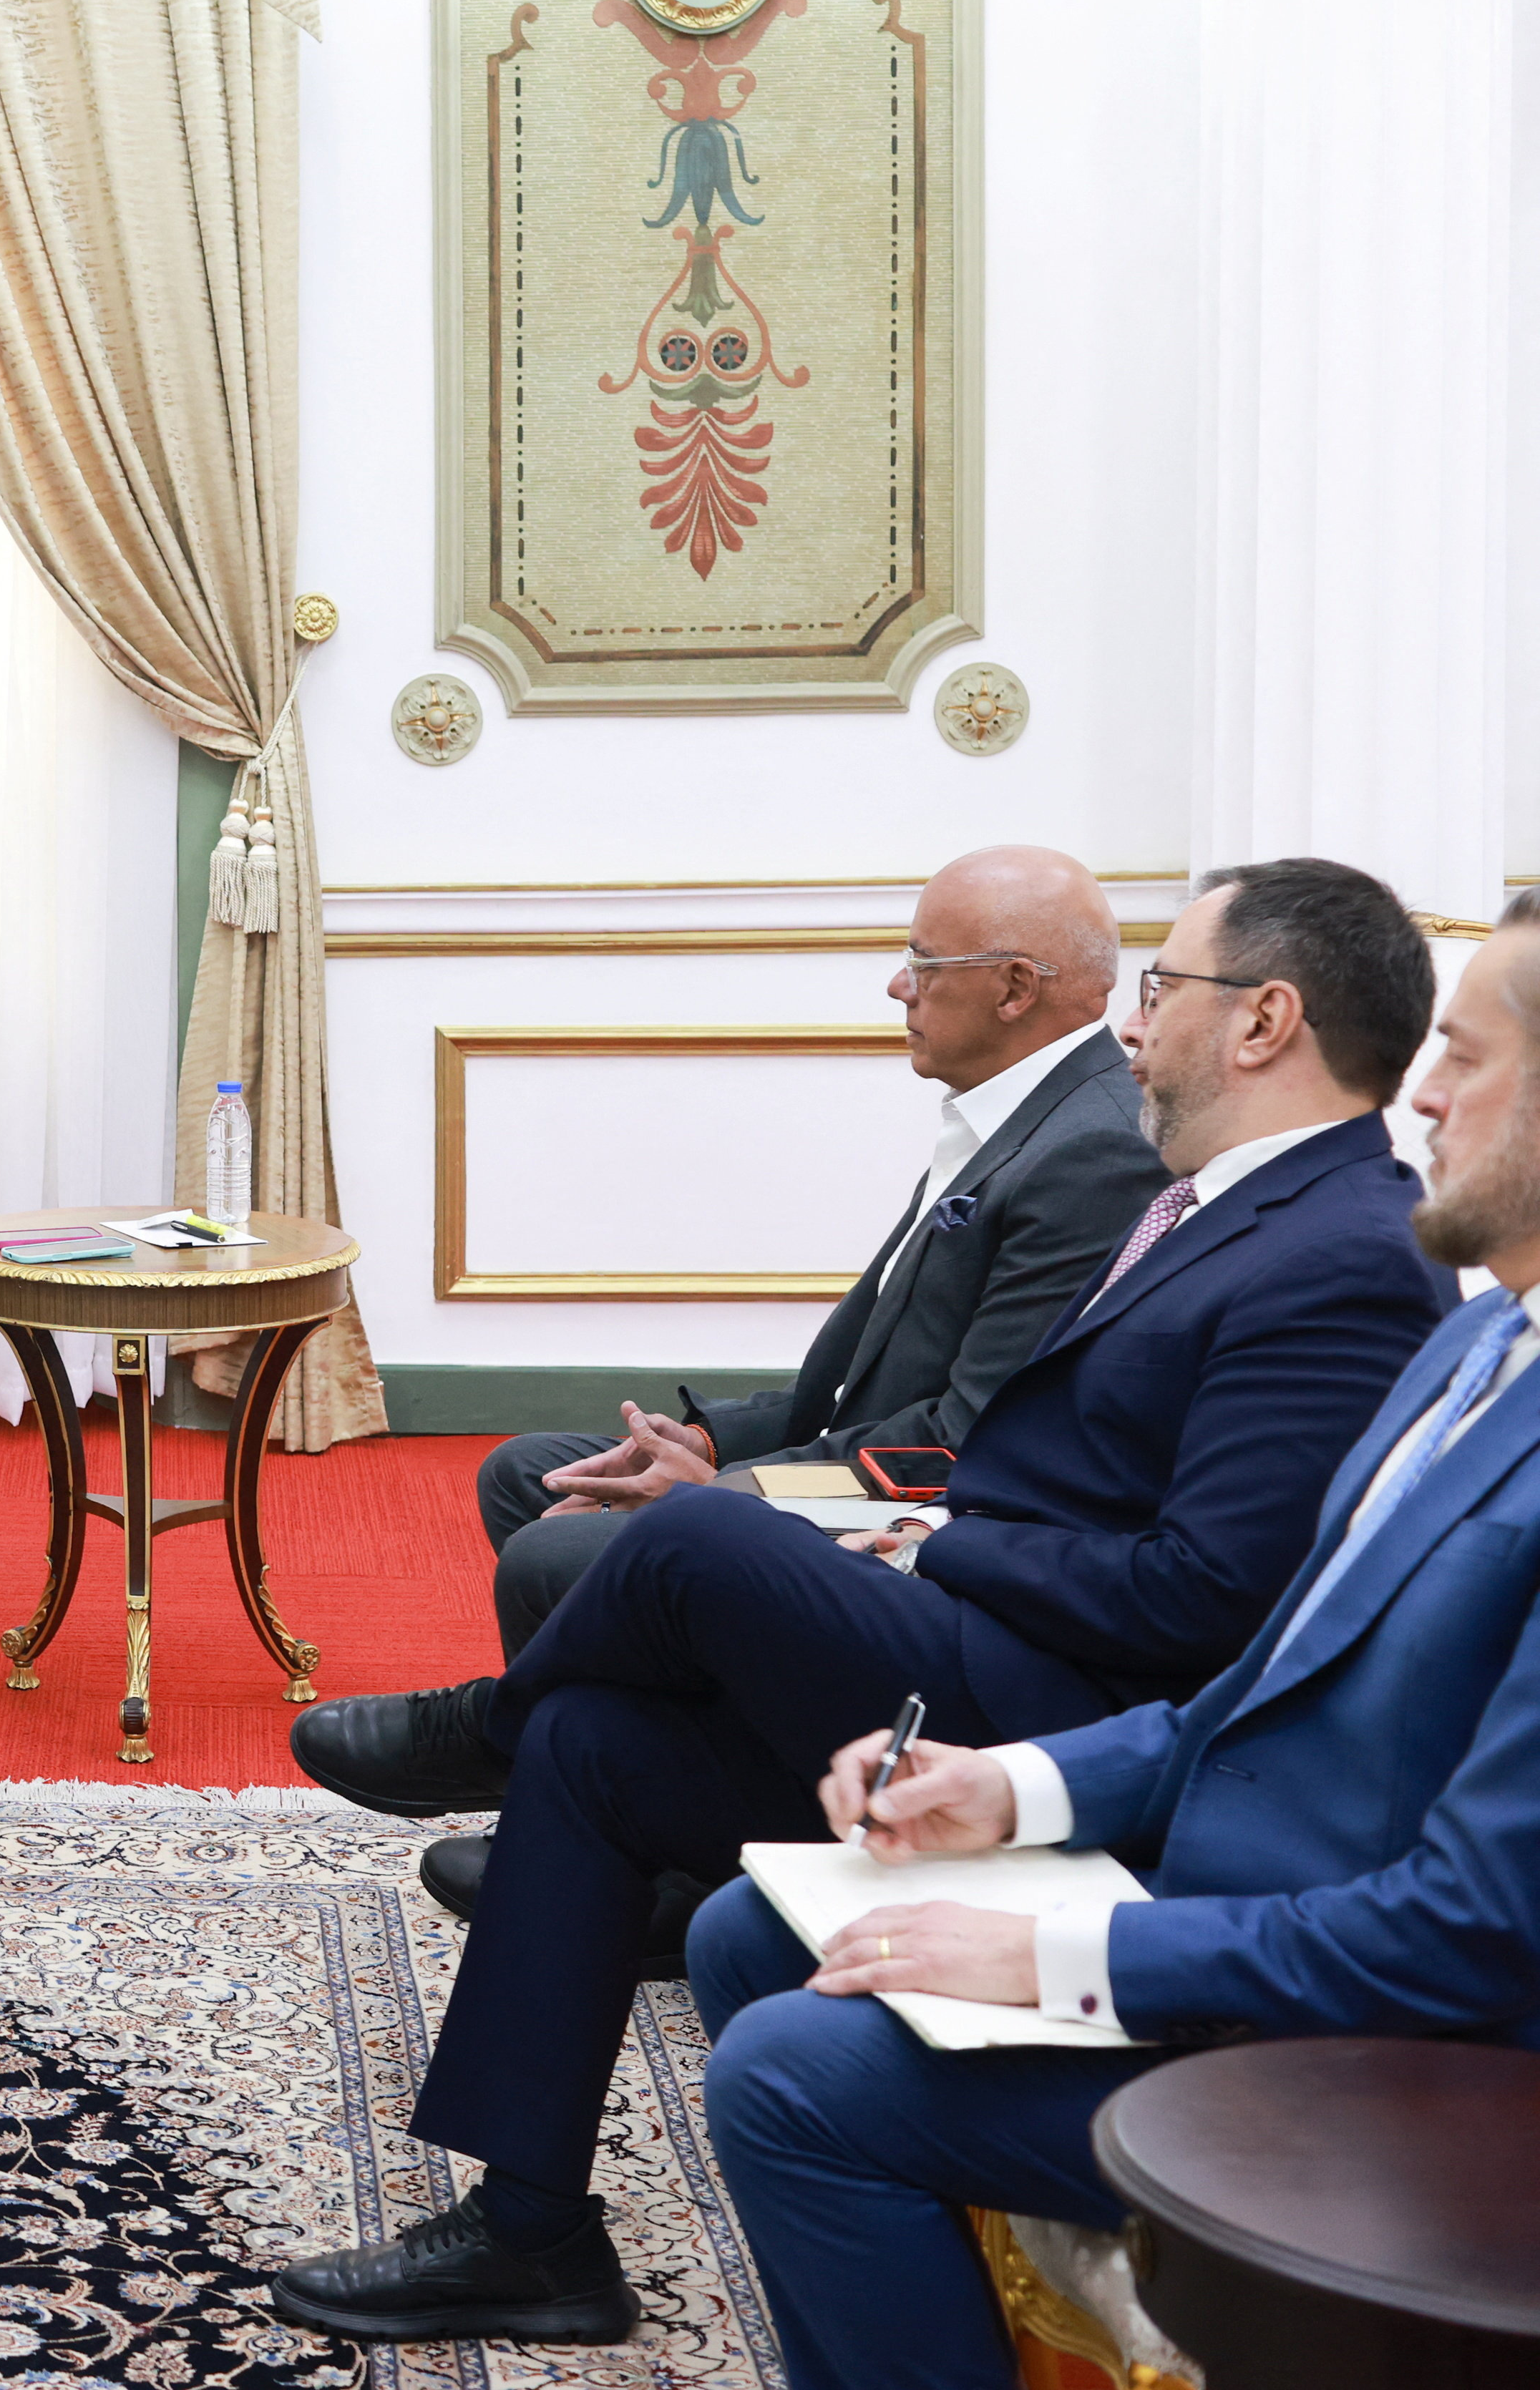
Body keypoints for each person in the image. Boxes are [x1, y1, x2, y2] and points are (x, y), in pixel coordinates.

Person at [267, 857, 1453, 2347]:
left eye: (1160, 990)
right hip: (1003, 1651)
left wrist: (935, 1539)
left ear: (1263, 1019)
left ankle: (479, 1724)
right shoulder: (1222, 1207)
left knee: (695, 1548)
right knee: (593, 1742)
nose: (1133, 1028)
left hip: (1062, 1697)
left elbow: (1208, 1595)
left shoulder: (1335, 1250)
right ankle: (530, 2228)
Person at [687, 886, 1540, 2390]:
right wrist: (1009, 1784)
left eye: (1466, 1059)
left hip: (1413, 2049)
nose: (1419, 1089)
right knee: (745, 1925)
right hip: (1260, 1902)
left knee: (792, 2071)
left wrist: (1060, 1950)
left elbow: (1468, 1928)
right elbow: (1260, 1686)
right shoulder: (1479, 1342)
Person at [461, 846, 1166, 1661]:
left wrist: (726, 1496)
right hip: (861, 1455)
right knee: (525, 1475)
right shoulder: (1020, 1114)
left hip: (911, 1506)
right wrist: (712, 1442)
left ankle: (553, 1753)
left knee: (551, 1552)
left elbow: (964, 1441)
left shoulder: (1094, 1153)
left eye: (924, 963)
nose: (898, 985)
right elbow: (857, 1375)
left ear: (1014, 987)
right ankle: (642, 1739)